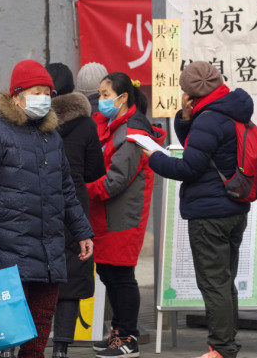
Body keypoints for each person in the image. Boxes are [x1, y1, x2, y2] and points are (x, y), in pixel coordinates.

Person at [0, 59, 95, 358]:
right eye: (36, 92)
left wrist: (82, 231)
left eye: (47, 92)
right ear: (16, 96)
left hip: (49, 252)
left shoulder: (52, 136)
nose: (44, 99)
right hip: (7, 251)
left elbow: (67, 190)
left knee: (37, 338)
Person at [144, 62, 251, 358]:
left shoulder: (210, 119)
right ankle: (225, 344)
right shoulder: (229, 109)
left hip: (210, 214)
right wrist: (186, 116)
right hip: (234, 208)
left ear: (191, 93)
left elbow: (189, 166)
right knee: (225, 281)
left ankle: (220, 348)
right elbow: (199, 148)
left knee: (214, 282)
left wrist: (153, 157)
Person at [87, 72, 166, 358]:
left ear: (122, 98)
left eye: (106, 95)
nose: (101, 100)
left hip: (123, 216)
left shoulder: (133, 135)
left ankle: (128, 337)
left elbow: (114, 181)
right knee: (109, 272)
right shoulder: (111, 126)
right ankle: (117, 332)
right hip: (107, 214)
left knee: (121, 276)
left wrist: (82, 190)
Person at [45, 63, 105, 358]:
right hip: (74, 208)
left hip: (38, 204)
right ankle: (61, 348)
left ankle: (30, 342)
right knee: (70, 273)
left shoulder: (34, 121)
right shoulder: (85, 123)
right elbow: (96, 170)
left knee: (37, 274)